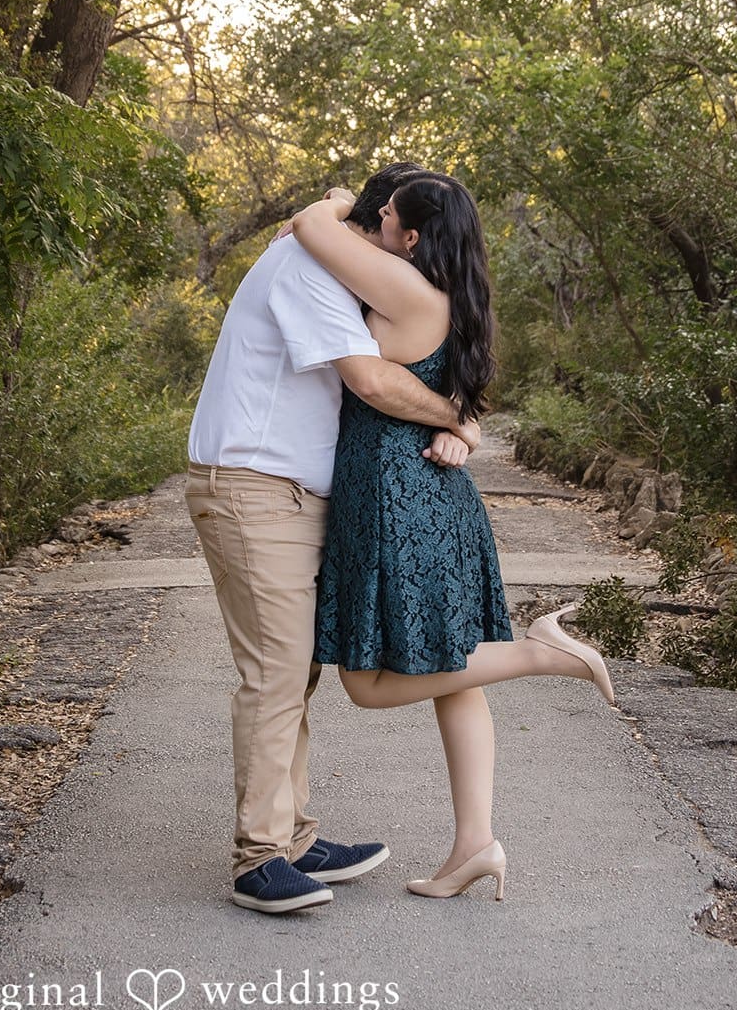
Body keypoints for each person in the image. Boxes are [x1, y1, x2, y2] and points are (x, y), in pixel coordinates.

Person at [291, 170, 615, 902]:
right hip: (430, 493)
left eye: (384, 217)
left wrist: (336, 201)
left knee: (367, 685)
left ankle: (541, 654)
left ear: (410, 237)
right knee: (456, 669)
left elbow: (311, 228)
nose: (372, 224)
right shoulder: (455, 295)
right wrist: (459, 426)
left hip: (394, 497)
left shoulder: (405, 286)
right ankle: (476, 843)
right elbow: (455, 399)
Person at [184, 163, 481, 915]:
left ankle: (293, 837)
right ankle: (259, 860)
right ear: (380, 227)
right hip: (254, 485)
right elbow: (372, 382)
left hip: (292, 492)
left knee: (297, 672)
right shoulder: (311, 266)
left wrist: (462, 418)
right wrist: (457, 418)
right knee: (276, 673)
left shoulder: (340, 262)